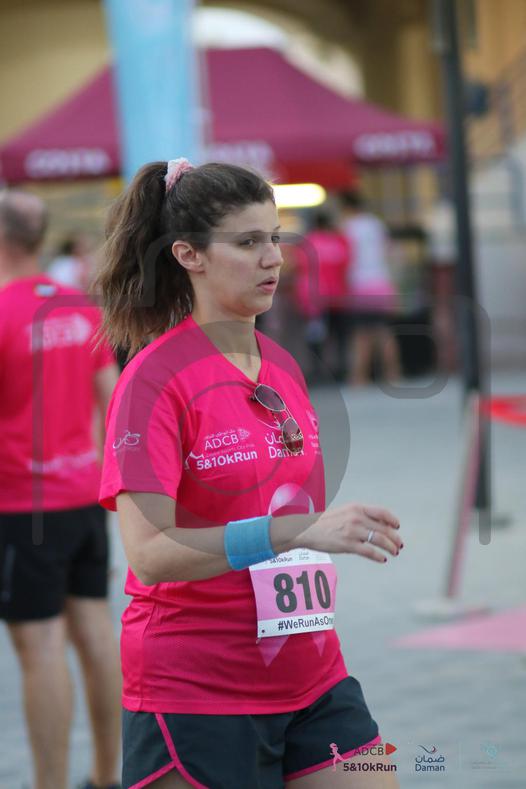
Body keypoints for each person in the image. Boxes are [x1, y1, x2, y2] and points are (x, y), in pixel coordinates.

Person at [95, 159, 404, 789]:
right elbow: (149, 555)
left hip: (312, 672)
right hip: (198, 687)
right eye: (247, 242)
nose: (273, 259)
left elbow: (290, 518)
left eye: (275, 238)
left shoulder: (283, 365)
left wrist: (312, 533)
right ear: (189, 255)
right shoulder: (153, 381)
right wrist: (296, 531)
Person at [0, 191, 122, 789]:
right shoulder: (79, 305)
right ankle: (107, 776)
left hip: (21, 505)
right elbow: (114, 399)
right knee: (95, 631)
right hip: (84, 496)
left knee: (41, 645)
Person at [340, 191, 401, 386]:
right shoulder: (376, 223)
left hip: (360, 284)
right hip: (382, 282)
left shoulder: (348, 227)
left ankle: (359, 377)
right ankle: (393, 374)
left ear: (346, 207)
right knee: (384, 331)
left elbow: (345, 257)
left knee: (361, 334)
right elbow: (390, 251)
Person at [293, 211, 352, 382]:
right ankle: (340, 369)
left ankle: (317, 371)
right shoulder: (338, 241)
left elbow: (300, 268)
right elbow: (346, 266)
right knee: (339, 336)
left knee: (315, 336)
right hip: (337, 296)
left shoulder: (307, 242)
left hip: (313, 297)